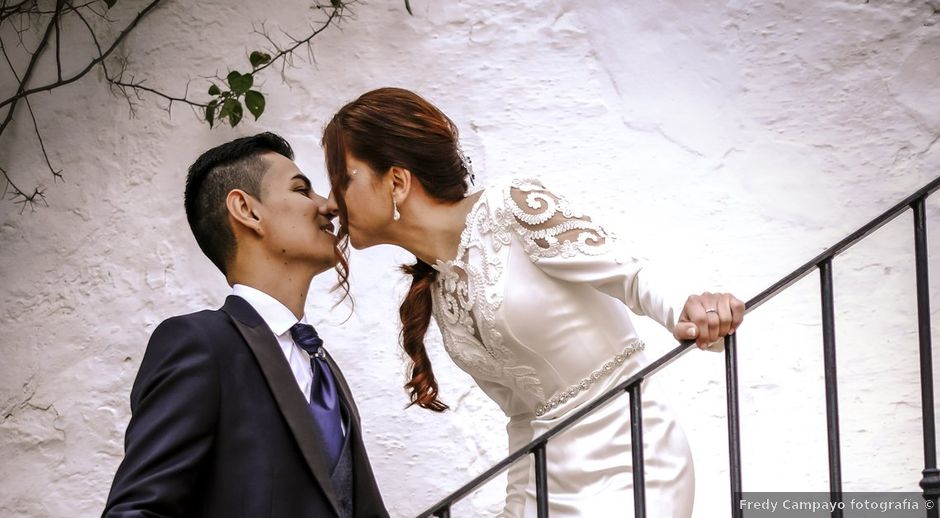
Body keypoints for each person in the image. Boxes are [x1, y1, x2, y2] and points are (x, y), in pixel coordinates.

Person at [318, 88, 745, 517]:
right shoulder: (439, 288)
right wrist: (517, 507)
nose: (331, 202)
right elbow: (523, 417)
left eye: (342, 177)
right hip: (545, 483)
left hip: (630, 462)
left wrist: (689, 311)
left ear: (396, 180)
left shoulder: (511, 209)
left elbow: (630, 275)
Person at [102, 133, 388, 518]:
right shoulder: (200, 343)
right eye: (302, 190)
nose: (328, 207)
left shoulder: (322, 364)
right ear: (247, 210)